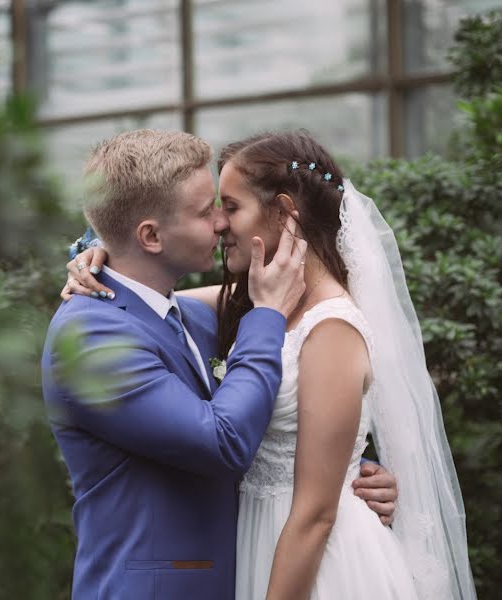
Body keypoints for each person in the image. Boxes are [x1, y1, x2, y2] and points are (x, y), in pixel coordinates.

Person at [66, 130, 476, 599]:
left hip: (317, 565)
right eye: (211, 209)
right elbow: (152, 302)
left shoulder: (330, 324)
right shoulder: (253, 307)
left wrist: (350, 469)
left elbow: (315, 505)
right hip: (255, 545)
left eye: (231, 206)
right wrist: (96, 258)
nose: (220, 223)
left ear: (283, 212)